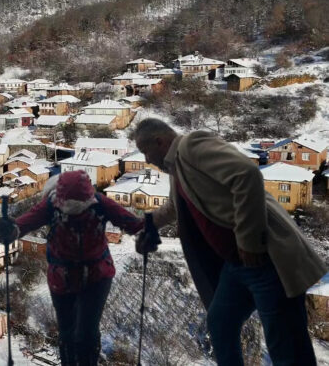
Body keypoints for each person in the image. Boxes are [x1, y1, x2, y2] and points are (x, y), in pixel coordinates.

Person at [133, 118, 326, 365]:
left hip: (265, 257)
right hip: (236, 265)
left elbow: (247, 174)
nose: (147, 160)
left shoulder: (192, 146)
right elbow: (174, 207)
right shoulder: (177, 167)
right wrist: (144, 225)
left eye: (145, 151)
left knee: (285, 344)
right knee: (220, 322)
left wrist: (249, 241)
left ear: (159, 141)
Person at [0, 170, 144, 366]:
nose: (75, 212)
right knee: (69, 331)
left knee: (85, 331)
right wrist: (9, 230)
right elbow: (24, 224)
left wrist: (145, 232)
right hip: (81, 275)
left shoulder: (96, 203)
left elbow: (134, 224)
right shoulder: (58, 204)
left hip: (86, 276)